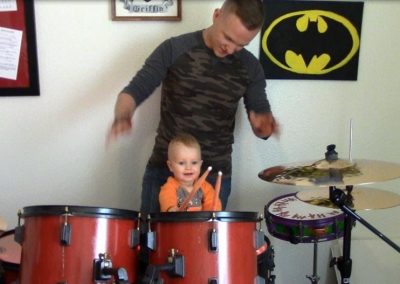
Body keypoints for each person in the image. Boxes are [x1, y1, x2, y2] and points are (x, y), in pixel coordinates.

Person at [107, 0, 279, 213]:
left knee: (204, 246)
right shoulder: (174, 48)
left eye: (241, 45)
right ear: (216, 15)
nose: (231, 48)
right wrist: (123, 114)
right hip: (165, 171)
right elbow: (137, 89)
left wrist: (264, 127)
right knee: (150, 244)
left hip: (214, 178)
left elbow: (261, 117)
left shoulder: (250, 66)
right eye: (227, 37)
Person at [159, 133, 222, 212]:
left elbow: (213, 202)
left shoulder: (205, 186)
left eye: (194, 163)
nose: (188, 168)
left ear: (200, 165)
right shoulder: (170, 186)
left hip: (200, 224)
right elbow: (167, 199)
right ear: (170, 166)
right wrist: (171, 209)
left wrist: (211, 212)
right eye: (181, 163)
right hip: (179, 223)